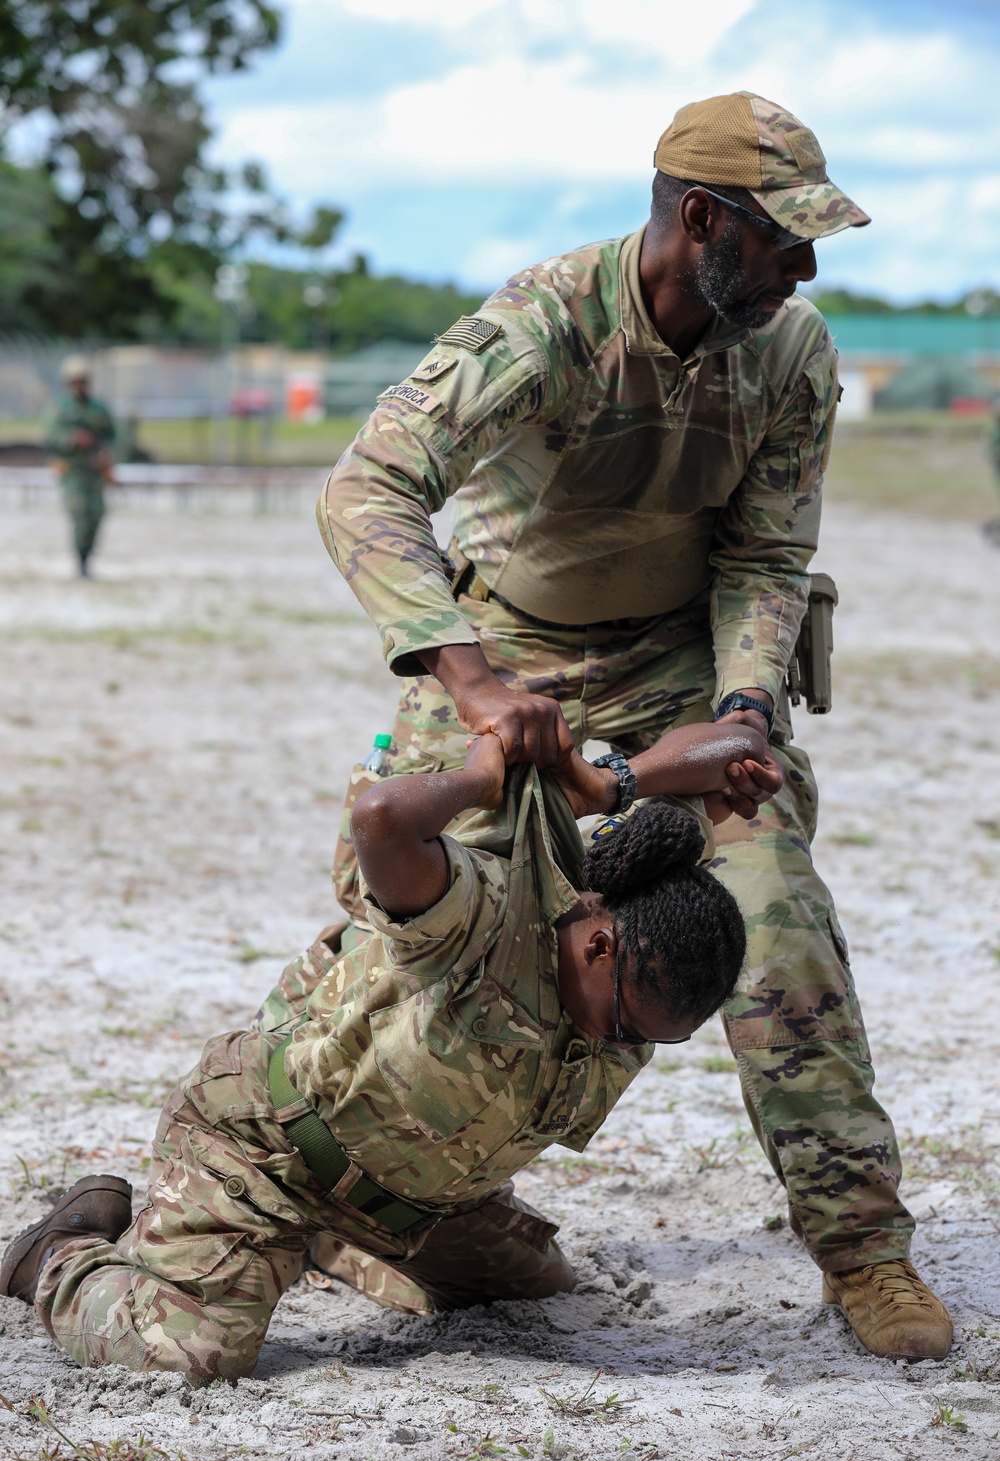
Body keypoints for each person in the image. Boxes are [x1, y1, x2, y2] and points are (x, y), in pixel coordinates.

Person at [314, 90, 952, 1359]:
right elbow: (367, 485)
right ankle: (364, 1209)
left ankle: (861, 1246)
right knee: (420, 938)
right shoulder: (545, 325)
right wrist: (478, 686)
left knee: (777, 919)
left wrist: (741, 713)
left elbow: (767, 557)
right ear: (699, 217)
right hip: (516, 678)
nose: (807, 268)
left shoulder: (790, 353)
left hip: (678, 674)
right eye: (786, 239)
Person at [2, 720, 760, 1385]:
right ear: (598, 944)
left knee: (538, 1297)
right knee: (194, 1356)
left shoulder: (652, 956)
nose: (621, 1046)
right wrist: (479, 775)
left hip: (418, 1205)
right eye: (626, 1026)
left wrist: (619, 782)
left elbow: (741, 750)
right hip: (267, 1155)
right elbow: (382, 819)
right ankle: (58, 1254)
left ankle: (320, 1247)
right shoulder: (483, 914)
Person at [45, 355, 115, 577]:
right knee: (79, 514)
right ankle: (80, 560)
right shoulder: (59, 408)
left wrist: (107, 455)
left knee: (96, 514)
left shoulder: (98, 408)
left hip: (94, 471)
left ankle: (88, 556)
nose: (79, 385)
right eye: (75, 381)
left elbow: (113, 435)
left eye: (83, 381)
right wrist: (73, 439)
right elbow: (50, 436)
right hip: (72, 470)